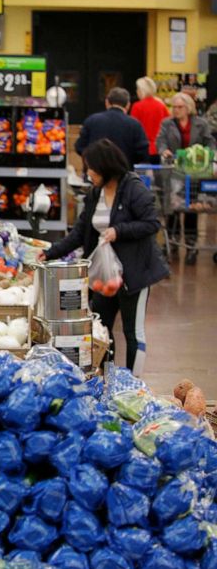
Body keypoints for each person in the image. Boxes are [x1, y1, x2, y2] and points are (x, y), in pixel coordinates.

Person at [40, 139, 168, 377]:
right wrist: (49, 253)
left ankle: (133, 382)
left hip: (134, 274)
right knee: (102, 329)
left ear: (106, 167)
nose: (88, 173)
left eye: (92, 168)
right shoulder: (95, 193)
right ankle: (108, 378)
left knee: (133, 332)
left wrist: (119, 231)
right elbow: (80, 232)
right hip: (103, 274)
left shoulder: (133, 188)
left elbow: (151, 224)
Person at [156, 92, 217, 264]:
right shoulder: (167, 124)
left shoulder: (201, 123)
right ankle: (172, 242)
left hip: (195, 173)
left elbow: (210, 141)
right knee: (173, 207)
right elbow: (160, 141)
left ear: (188, 107)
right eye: (174, 107)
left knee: (191, 208)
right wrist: (164, 150)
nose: (176, 110)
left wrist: (208, 153)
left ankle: (191, 244)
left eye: (180, 107)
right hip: (174, 171)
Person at [75, 87, 149, 167]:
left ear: (107, 102)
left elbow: (80, 147)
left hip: (96, 171)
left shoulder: (92, 120)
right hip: (124, 172)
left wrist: (92, 160)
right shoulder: (134, 124)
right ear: (128, 105)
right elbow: (142, 152)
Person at [129, 77, 169, 163]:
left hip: (143, 148)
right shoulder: (161, 106)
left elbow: (132, 128)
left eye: (138, 89)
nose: (137, 92)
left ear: (142, 90)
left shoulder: (137, 106)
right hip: (159, 149)